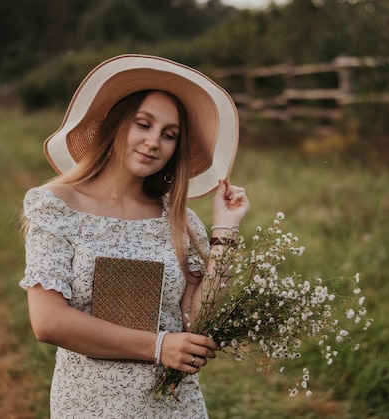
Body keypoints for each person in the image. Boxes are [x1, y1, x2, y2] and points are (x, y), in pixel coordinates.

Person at [19, 55, 250, 418]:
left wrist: (225, 230)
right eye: (143, 124)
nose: (153, 142)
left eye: (169, 134)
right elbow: (48, 322)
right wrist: (159, 346)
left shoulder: (180, 221)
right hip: (88, 404)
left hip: (173, 406)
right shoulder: (57, 206)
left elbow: (196, 322)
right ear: (116, 125)